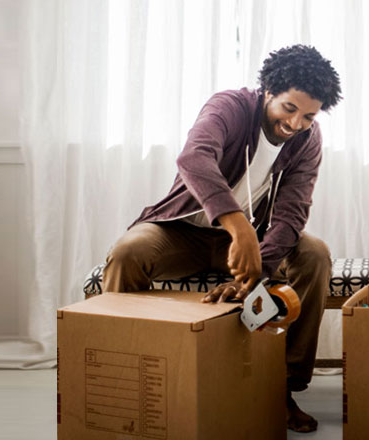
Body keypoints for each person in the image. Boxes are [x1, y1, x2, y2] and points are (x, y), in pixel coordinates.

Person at [103, 44, 342, 433]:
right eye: (289, 108)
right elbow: (194, 158)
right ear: (268, 90)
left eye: (308, 116)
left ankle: (281, 387)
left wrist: (257, 272)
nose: (296, 123)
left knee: (314, 254)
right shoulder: (229, 106)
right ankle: (122, 375)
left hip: (253, 243)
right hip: (184, 230)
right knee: (129, 251)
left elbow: (292, 212)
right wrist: (238, 227)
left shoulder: (307, 139)